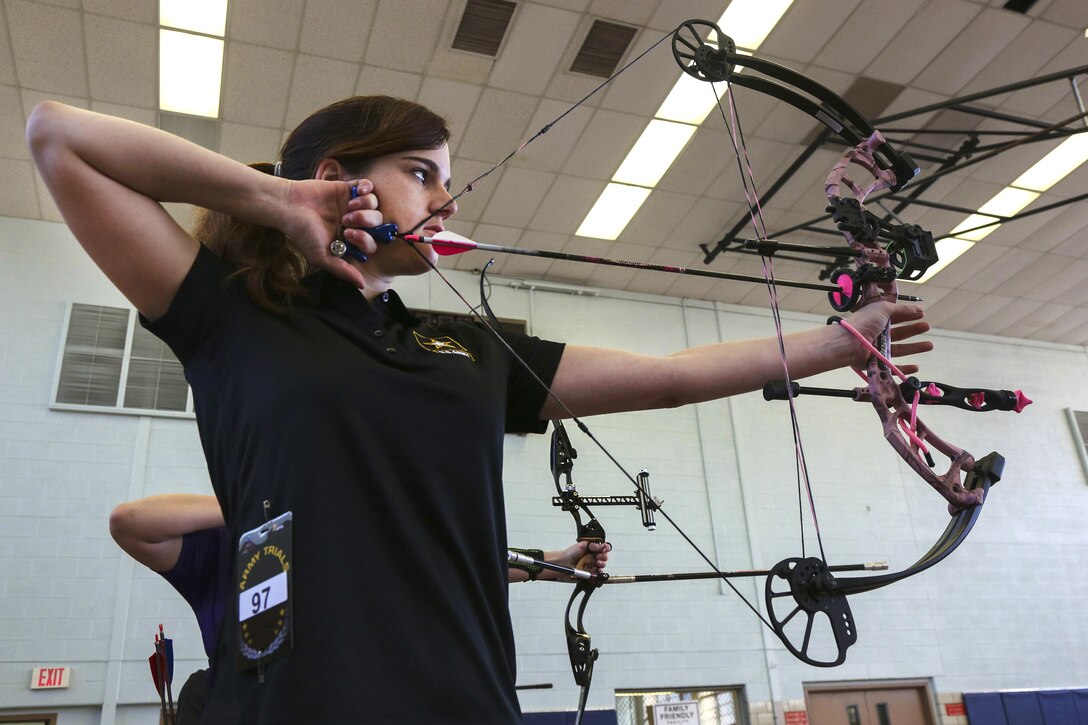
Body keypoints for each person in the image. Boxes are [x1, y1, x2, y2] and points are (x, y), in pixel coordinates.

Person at [27, 95, 931, 723]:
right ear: (343, 178)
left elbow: (671, 375)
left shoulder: (465, 349)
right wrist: (276, 197)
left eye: (450, 181)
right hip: (298, 705)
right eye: (423, 172)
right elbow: (58, 136)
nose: (448, 200)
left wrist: (840, 341)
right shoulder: (230, 311)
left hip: (468, 700)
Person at [108, 494, 608, 723]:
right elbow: (129, 522)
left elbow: (466, 567)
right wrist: (259, 497)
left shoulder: (354, 539)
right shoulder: (228, 546)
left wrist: (564, 562)